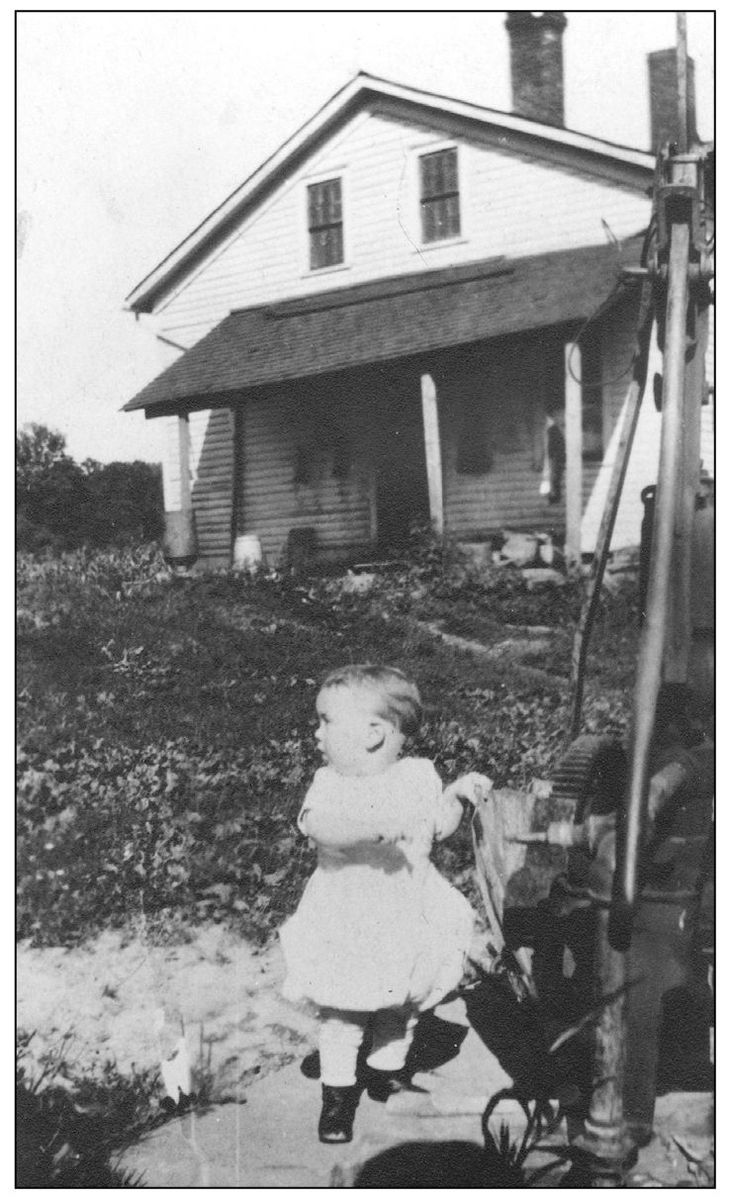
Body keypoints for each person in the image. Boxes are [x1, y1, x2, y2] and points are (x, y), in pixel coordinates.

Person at [279, 664, 492, 1144]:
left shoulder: (417, 776)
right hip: (349, 913)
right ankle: (337, 1095)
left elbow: (436, 826)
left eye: (326, 721)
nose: (316, 732)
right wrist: (364, 829)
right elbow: (318, 826)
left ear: (374, 733)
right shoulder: (331, 783)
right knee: (343, 1009)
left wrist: (456, 795)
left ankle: (385, 1070)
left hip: (406, 910)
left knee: (401, 1000)